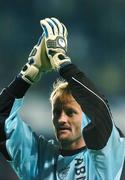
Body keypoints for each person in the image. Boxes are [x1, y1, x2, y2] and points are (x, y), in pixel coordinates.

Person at [0, 17, 125, 180]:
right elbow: (3, 120)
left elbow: (101, 116)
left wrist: (63, 63)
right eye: (57, 112)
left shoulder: (106, 158)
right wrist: (29, 74)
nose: (61, 119)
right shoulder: (38, 160)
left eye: (70, 112)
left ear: (87, 118)